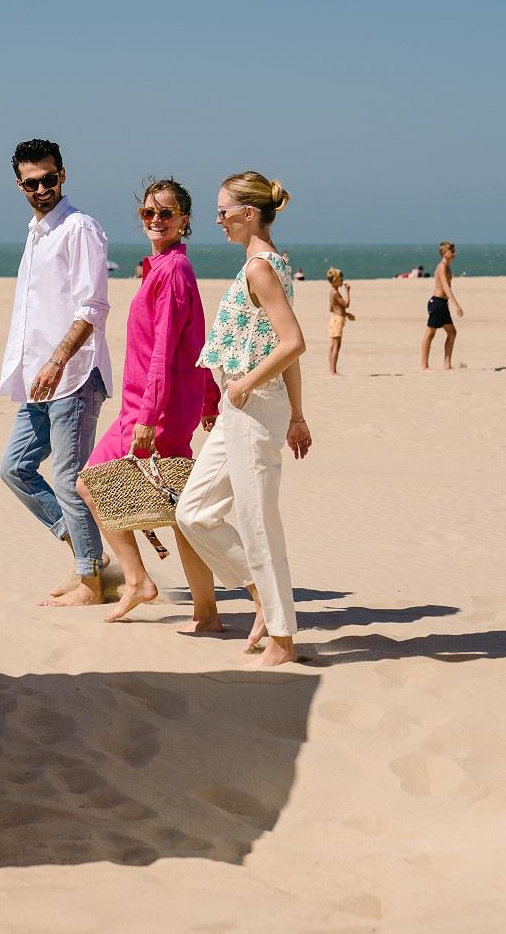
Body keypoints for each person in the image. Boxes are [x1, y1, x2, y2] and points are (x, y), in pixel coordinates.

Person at [176, 171, 312, 668]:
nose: (218, 219)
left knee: (259, 524)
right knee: (194, 511)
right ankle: (261, 600)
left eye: (224, 210)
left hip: (252, 406)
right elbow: (287, 349)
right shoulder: (269, 264)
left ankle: (282, 638)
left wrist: (245, 384)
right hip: (244, 407)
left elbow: (293, 342)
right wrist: (298, 415)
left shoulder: (261, 268)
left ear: (248, 213)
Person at [73, 179, 223, 625]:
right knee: (180, 512)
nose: (156, 220)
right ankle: (207, 612)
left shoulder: (173, 272)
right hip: (161, 407)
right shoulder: (164, 267)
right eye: (148, 213)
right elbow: (196, 343)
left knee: (90, 482)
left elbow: (164, 348)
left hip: (151, 410)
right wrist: (209, 401)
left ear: (185, 220)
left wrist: (148, 417)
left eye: (167, 213)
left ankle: (138, 580)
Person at [0, 138, 114, 604]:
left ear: (63, 174)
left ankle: (90, 583)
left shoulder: (79, 228)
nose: (42, 188)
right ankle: (88, 555)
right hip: (37, 381)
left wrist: (57, 360)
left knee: (69, 479)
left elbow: (93, 305)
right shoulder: (37, 231)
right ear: (19, 184)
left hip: (74, 376)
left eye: (49, 179)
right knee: (15, 468)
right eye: (32, 182)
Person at [421, 241, 463, 371]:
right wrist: (456, 305)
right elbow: (445, 286)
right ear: (444, 253)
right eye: (452, 251)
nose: (454, 253)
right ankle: (424, 365)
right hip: (437, 303)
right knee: (430, 334)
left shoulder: (447, 266)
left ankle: (447, 364)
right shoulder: (442, 267)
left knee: (452, 332)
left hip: (443, 304)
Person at [326, 267, 354, 375]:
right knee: (336, 346)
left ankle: (332, 369)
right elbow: (346, 304)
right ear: (335, 280)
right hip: (337, 321)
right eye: (341, 279)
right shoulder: (335, 293)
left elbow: (332, 308)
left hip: (335, 319)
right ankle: (333, 370)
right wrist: (348, 292)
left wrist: (346, 314)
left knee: (333, 345)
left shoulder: (332, 292)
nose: (342, 281)